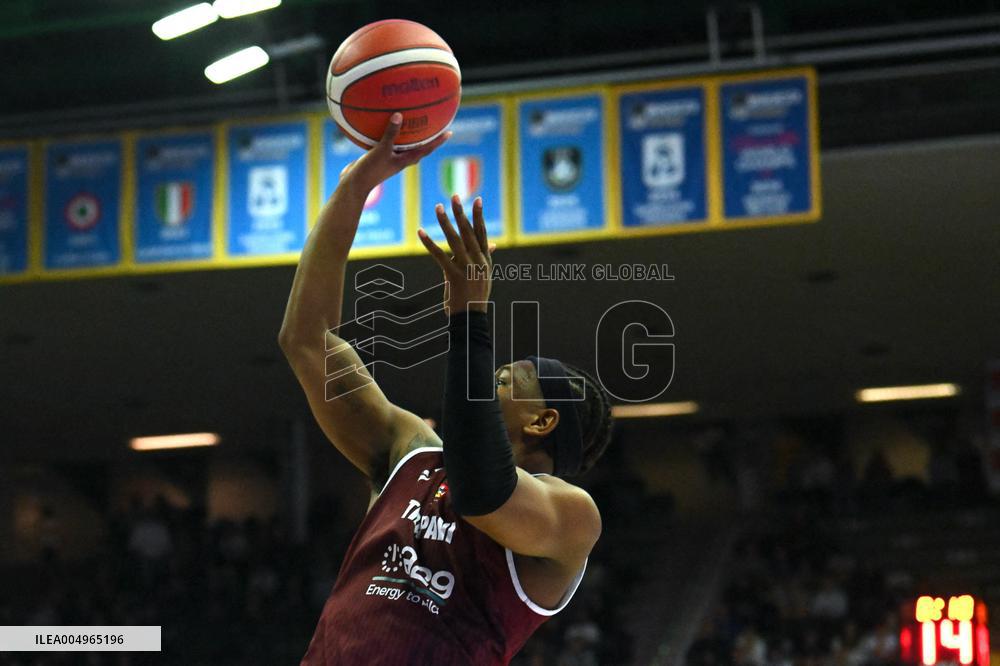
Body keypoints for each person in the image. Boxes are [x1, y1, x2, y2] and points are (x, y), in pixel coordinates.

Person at [279, 113, 614, 665]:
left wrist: (468, 316)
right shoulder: (409, 452)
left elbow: (482, 490)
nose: (488, 382)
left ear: (542, 421)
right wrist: (354, 188)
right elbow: (307, 342)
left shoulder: (571, 519)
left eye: (504, 380)